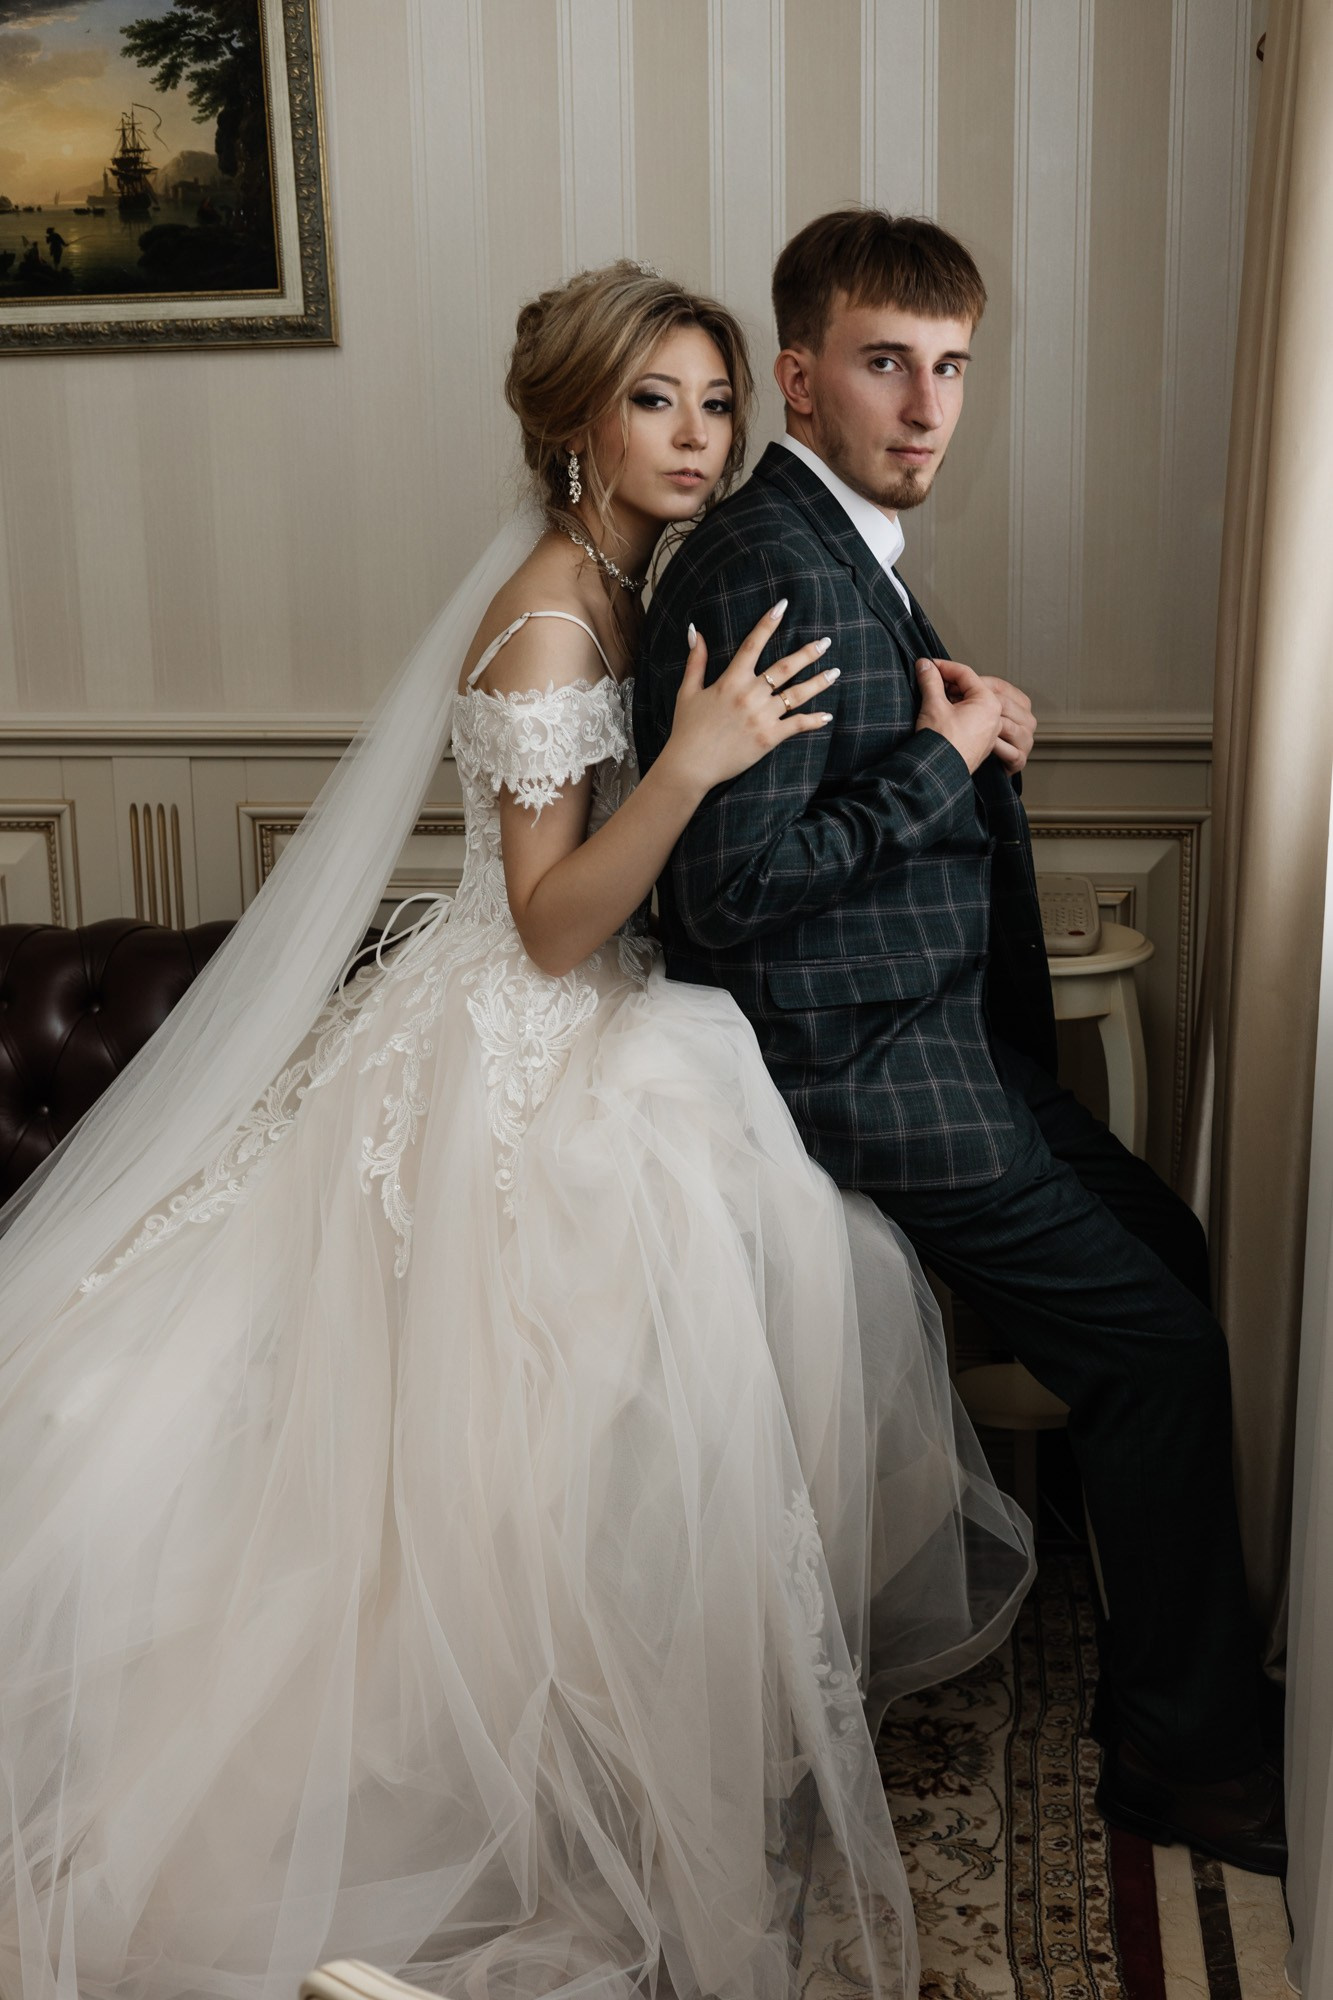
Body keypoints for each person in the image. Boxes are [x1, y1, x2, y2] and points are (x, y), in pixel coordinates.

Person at [0, 262, 1032, 2000]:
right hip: (523, 1030)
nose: (698, 438)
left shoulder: (640, 578)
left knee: (701, 1364)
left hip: (612, 1009)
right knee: (500, 1454)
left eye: (716, 402)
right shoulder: (554, 611)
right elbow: (548, 922)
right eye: (653, 402)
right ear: (572, 424)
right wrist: (694, 763)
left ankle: (639, 1742)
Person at [635, 208, 1285, 1879]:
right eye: (885, 365)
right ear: (800, 377)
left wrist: (970, 738)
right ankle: (1184, 1761)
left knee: (1165, 1249)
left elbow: (853, 764)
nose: (927, 408)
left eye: (951, 368)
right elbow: (726, 890)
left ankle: (1158, 1659)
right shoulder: (769, 561)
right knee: (1157, 1346)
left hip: (934, 1034)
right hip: (857, 1063)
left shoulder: (836, 534)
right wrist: (942, 763)